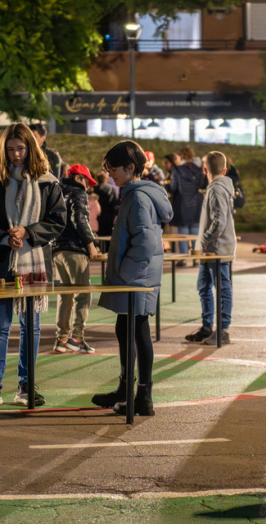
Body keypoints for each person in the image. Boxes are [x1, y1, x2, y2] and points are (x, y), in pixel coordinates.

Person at [0, 123, 65, 407]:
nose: (15, 155)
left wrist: (28, 233)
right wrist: (4, 237)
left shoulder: (49, 182)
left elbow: (58, 222)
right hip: (1, 262)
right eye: (10, 149)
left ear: (31, 148)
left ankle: (27, 386)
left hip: (33, 261)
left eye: (21, 149)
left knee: (31, 326)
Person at [92, 141, 173, 416]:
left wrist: (124, 273)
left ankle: (141, 396)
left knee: (137, 332)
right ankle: (131, 392)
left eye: (113, 169)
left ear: (130, 168)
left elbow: (146, 242)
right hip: (137, 277)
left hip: (136, 279)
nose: (110, 173)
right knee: (129, 330)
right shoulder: (135, 194)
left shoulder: (137, 197)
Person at [185, 151, 236, 345]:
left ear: (204, 169)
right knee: (205, 286)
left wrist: (205, 239)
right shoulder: (219, 187)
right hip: (212, 248)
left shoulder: (215, 189)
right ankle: (208, 328)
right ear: (224, 169)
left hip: (217, 248)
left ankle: (222, 330)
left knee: (221, 288)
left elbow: (219, 221)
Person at [52, 163, 99, 354]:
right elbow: (79, 218)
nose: (87, 186)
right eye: (86, 181)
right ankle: (77, 337)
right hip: (74, 249)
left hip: (57, 249)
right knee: (83, 294)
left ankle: (61, 339)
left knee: (65, 296)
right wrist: (90, 243)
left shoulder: (57, 192)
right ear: (79, 178)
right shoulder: (78, 193)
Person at [169, 147, 205, 258]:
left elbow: (173, 188)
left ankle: (183, 258)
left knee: (182, 233)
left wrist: (167, 186)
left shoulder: (177, 170)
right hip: (197, 204)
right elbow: (202, 185)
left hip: (182, 204)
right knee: (195, 230)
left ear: (180, 156)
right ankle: (196, 257)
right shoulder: (198, 169)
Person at [93, 168, 119, 237]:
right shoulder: (111, 189)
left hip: (98, 216)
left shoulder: (94, 189)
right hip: (109, 216)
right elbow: (115, 203)